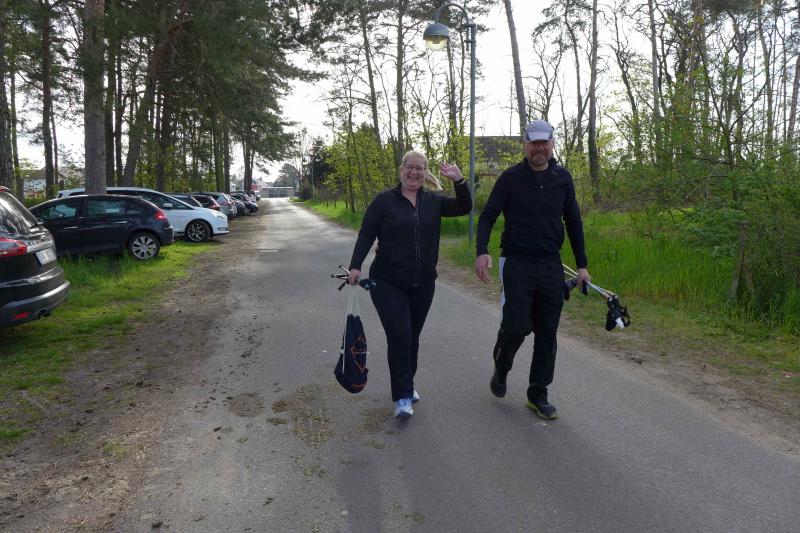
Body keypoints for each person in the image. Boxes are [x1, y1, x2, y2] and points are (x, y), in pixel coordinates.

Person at [475, 120, 590, 420]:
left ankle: (538, 393)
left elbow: (574, 222)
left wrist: (582, 266)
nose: (539, 148)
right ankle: (501, 367)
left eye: (544, 143)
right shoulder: (510, 178)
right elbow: (487, 216)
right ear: (524, 145)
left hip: (550, 264)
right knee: (516, 326)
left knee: (547, 332)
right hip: (517, 263)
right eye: (534, 143)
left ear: (552, 144)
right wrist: (482, 251)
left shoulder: (562, 178)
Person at [347, 150, 472, 419]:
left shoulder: (434, 201)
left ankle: (407, 383)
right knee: (400, 335)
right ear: (401, 169)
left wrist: (459, 181)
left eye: (419, 168)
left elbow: (465, 207)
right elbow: (367, 233)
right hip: (387, 281)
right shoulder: (384, 201)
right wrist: (356, 265)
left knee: (412, 336)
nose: (414, 172)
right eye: (410, 167)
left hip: (423, 283)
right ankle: (402, 396)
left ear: (426, 173)